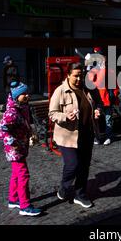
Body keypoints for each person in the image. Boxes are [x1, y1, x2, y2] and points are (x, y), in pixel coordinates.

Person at [49, 63, 101, 208]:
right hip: (67, 136)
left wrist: (96, 111)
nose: (79, 79)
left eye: (81, 76)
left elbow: (97, 104)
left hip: (86, 134)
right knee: (73, 165)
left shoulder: (88, 89)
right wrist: (65, 116)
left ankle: (80, 194)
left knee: (84, 166)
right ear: (68, 75)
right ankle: (64, 187)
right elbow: (52, 114)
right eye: (76, 76)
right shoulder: (60, 91)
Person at [0, 81, 42, 216]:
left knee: (16, 175)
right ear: (16, 96)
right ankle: (25, 206)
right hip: (15, 150)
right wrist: (13, 142)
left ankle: (13, 199)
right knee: (23, 175)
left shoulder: (22, 107)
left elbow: (26, 124)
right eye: (24, 94)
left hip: (20, 147)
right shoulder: (11, 113)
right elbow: (1, 132)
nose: (27, 96)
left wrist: (30, 133)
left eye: (27, 93)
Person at [87, 55, 119, 146]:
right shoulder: (94, 72)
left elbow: (115, 86)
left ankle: (108, 137)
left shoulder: (110, 72)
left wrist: (114, 96)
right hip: (97, 99)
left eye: (104, 62)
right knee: (95, 119)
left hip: (107, 99)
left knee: (108, 119)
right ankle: (97, 137)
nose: (102, 63)